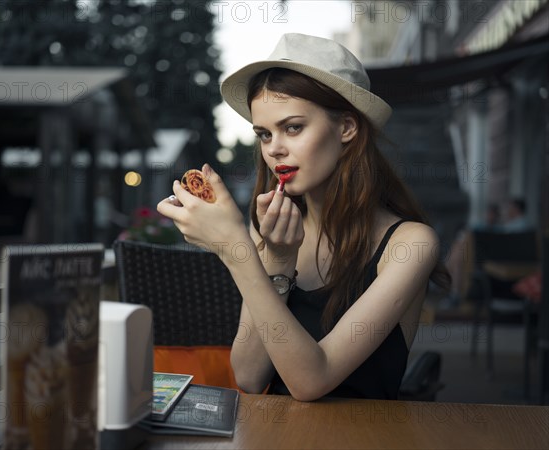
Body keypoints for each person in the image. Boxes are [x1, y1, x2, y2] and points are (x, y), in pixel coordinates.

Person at [157, 33, 449, 401]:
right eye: (264, 134)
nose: (275, 148)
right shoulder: (274, 230)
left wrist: (236, 251)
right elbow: (248, 375)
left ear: (346, 128)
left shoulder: (411, 244)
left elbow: (312, 381)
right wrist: (276, 261)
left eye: (293, 127)